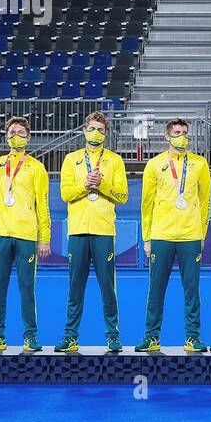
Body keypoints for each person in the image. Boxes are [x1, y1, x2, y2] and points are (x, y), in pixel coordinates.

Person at [0, 112, 51, 352]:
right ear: (6, 138)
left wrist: (44, 238)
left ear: (29, 137)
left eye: (21, 134)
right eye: (12, 133)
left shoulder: (37, 168)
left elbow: (42, 206)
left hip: (26, 236)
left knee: (27, 287)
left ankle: (30, 336)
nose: (16, 137)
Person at [57, 111, 128, 354]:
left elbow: (123, 196)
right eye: (91, 128)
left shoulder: (115, 160)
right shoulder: (71, 159)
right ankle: (70, 336)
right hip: (77, 231)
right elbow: (66, 194)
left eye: (100, 129)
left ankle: (112, 336)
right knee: (74, 287)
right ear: (84, 131)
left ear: (106, 134)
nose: (95, 133)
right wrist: (84, 184)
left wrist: (102, 184)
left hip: (104, 231)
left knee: (107, 287)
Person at [140, 119, 211, 353]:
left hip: (190, 236)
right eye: (177, 133)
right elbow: (146, 203)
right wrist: (147, 238)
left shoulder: (200, 164)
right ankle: (151, 337)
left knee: (192, 290)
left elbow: (204, 202)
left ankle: (192, 337)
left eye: (185, 133)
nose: (182, 136)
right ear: (167, 137)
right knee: (156, 289)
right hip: (161, 235)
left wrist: (201, 234)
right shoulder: (154, 164)